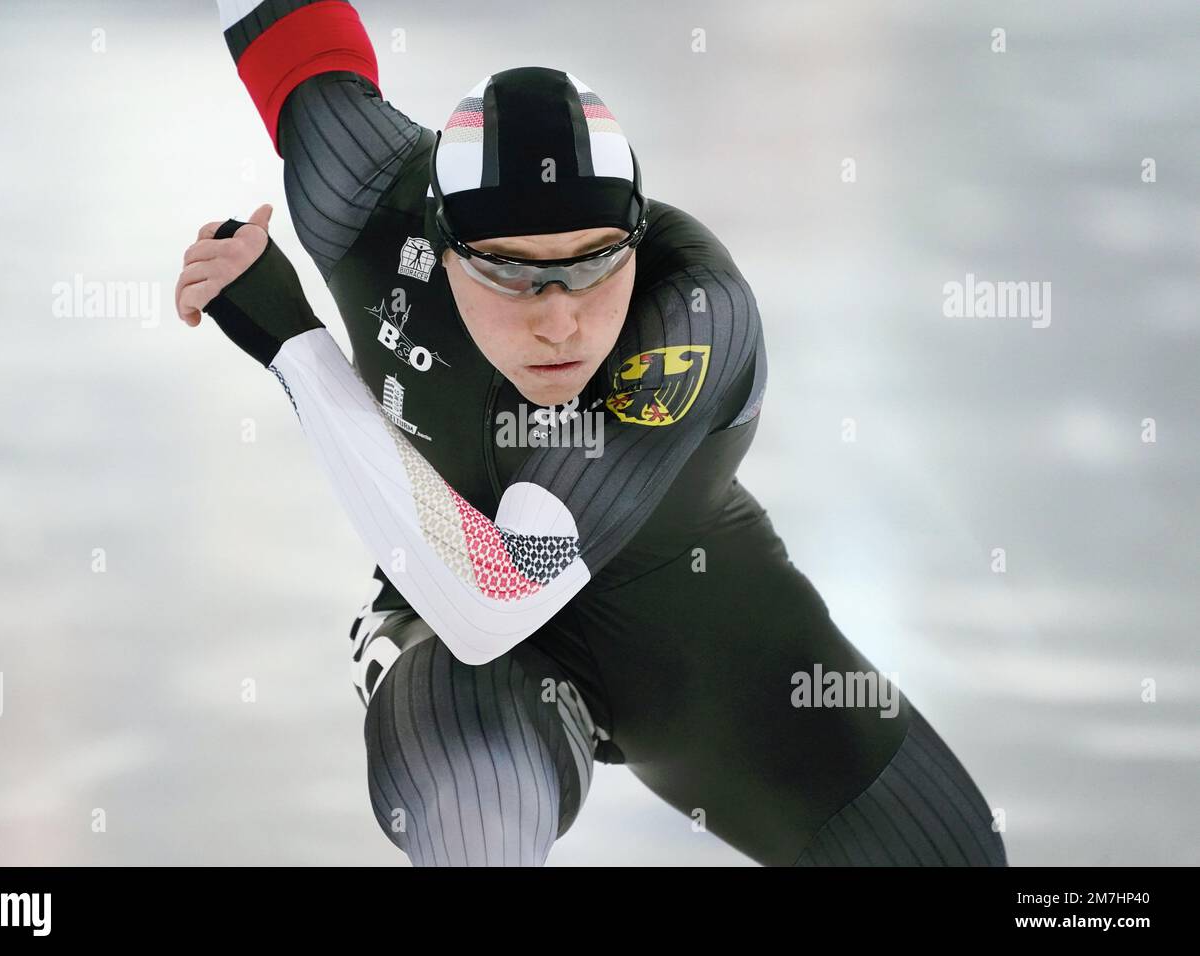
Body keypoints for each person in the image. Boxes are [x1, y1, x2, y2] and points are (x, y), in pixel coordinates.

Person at [175, 0, 1008, 867]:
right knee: (471, 805)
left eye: (597, 262)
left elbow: (499, 590)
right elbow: (484, 619)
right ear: (441, 245)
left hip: (697, 654)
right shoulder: (360, 197)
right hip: (466, 649)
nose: (561, 323)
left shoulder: (690, 314)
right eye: (511, 272)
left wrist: (294, 343)